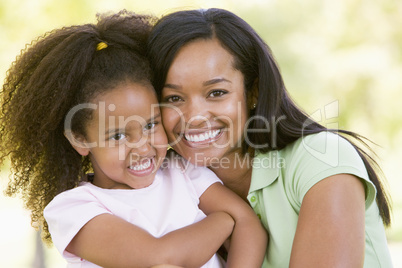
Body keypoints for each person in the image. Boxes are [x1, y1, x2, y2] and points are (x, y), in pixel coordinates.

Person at [0, 10, 267, 268]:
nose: (142, 146)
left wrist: (235, 222)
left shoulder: (182, 171)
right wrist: (222, 221)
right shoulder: (75, 209)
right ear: (80, 139)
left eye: (151, 124)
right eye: (118, 135)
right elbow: (160, 256)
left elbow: (250, 226)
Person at [147, 8, 393, 267]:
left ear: (253, 92)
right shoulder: (167, 186)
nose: (194, 117)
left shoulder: (322, 159)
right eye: (173, 98)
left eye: (216, 93)